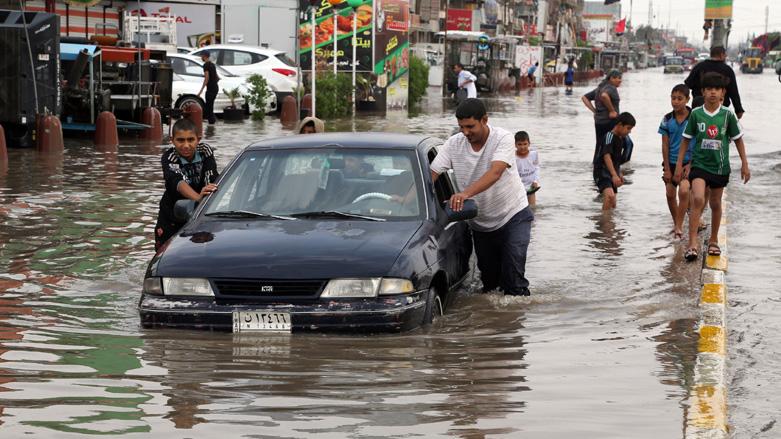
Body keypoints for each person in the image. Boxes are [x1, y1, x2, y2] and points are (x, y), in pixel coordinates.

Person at [430, 98, 533, 296]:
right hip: (480, 225)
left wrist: (465, 194)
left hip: (513, 215)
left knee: (514, 278)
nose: (465, 132)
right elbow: (431, 175)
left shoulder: (503, 138)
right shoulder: (454, 144)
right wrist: (402, 199)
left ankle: (517, 321)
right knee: (490, 285)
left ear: (485, 120)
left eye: (470, 126)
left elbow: (495, 172)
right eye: (461, 127)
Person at [674, 72, 750, 262]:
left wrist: (745, 165)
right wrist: (678, 165)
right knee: (698, 198)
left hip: (720, 167)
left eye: (716, 89)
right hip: (699, 165)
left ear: (723, 93)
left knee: (715, 204)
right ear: (703, 92)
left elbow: (738, 140)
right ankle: (692, 243)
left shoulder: (727, 115)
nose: (712, 93)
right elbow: (685, 141)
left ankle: (714, 240)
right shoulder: (696, 114)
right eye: (709, 89)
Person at [154, 118, 219, 251]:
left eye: (190, 140)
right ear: (172, 140)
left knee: (202, 251)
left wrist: (205, 201)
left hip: (200, 212)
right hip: (171, 215)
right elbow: (177, 182)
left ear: (198, 139)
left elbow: (211, 177)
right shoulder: (169, 157)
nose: (186, 145)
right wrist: (198, 198)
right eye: (180, 140)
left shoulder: (205, 151)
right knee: (164, 254)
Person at [659, 84, 693, 240]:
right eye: (673, 98)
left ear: (687, 99)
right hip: (671, 163)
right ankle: (676, 223)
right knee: (670, 194)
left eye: (680, 99)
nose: (676, 102)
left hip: (688, 163)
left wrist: (691, 164)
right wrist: (666, 168)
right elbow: (665, 144)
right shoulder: (667, 119)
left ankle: (680, 224)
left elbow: (699, 143)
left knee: (684, 190)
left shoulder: (694, 117)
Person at [582, 70, 622, 179]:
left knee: (600, 144)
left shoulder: (599, 88)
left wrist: (595, 111)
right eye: (618, 78)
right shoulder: (610, 88)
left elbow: (584, 98)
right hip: (609, 122)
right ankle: (614, 169)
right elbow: (604, 96)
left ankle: (596, 166)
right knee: (614, 145)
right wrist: (612, 111)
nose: (620, 80)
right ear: (611, 79)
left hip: (599, 121)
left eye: (620, 78)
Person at [684, 46, 744, 118]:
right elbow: (734, 92)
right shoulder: (727, 70)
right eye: (725, 55)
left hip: (699, 109)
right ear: (721, 55)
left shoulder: (699, 67)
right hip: (720, 111)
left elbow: (687, 85)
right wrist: (738, 110)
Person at [593, 112, 636, 211]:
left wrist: (618, 172)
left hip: (612, 172)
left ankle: (607, 221)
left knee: (613, 203)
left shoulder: (620, 139)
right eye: (628, 128)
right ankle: (604, 223)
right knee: (609, 196)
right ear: (620, 125)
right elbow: (606, 155)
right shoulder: (609, 136)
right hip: (601, 171)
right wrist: (614, 175)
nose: (629, 132)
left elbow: (615, 159)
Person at [514, 131, 540, 206]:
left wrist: (536, 181)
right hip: (518, 187)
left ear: (529, 143)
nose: (522, 147)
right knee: (519, 208)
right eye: (519, 144)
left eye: (525, 144)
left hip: (531, 186)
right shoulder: (512, 157)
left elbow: (536, 167)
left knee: (532, 208)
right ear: (515, 145)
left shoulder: (534, 154)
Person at [197, 50, 220, 125]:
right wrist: (214, 83)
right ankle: (212, 123)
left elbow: (206, 78)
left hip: (210, 89)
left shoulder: (206, 65)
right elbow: (217, 77)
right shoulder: (212, 65)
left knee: (208, 107)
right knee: (210, 105)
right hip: (215, 88)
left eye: (202, 56)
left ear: (205, 56)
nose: (201, 57)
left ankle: (212, 123)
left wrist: (201, 91)